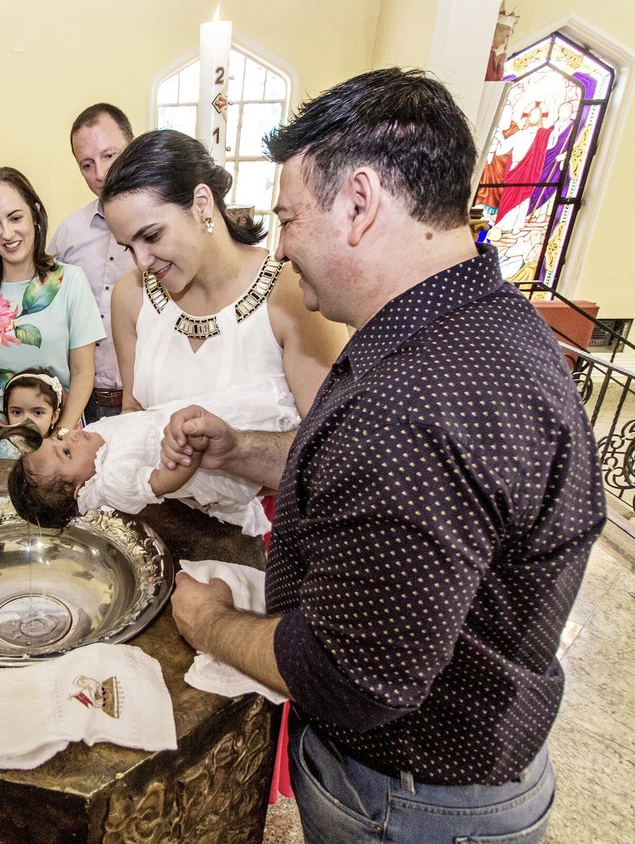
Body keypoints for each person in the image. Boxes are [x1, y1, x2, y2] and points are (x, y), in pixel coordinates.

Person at [163, 68, 606, 843]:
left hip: (414, 800)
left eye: (290, 217)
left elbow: (348, 676)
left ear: (359, 204)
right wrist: (241, 451)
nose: (282, 244)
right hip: (472, 763)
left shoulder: (412, 410)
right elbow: (357, 479)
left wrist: (214, 623)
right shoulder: (478, 321)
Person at [102, 129, 346, 420]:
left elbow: (328, 444)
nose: (141, 263)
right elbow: (133, 414)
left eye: (152, 236)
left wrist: (238, 450)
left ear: (201, 203)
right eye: (128, 247)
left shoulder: (295, 294)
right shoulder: (130, 296)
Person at [9, 377, 297, 532]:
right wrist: (192, 450)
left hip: (192, 418)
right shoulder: (113, 480)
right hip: (201, 459)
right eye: (67, 452)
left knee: (266, 425)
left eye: (58, 439)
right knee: (272, 468)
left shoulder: (93, 440)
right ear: (80, 490)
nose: (70, 435)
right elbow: (164, 481)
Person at [0, 167, 104, 432]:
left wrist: (60, 436)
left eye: (15, 218)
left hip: (58, 432)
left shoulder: (70, 281)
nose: (7, 234)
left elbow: (83, 372)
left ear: (35, 213)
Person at [49, 104, 137, 423]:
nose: (99, 174)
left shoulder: (161, 232)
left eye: (109, 155)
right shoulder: (68, 234)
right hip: (80, 402)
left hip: (142, 401)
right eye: (87, 164)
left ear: (132, 147)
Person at [0, 367, 64, 459]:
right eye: (17, 412)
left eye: (38, 413)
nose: (26, 420)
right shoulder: (2, 448)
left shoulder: (61, 453)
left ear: (54, 416)